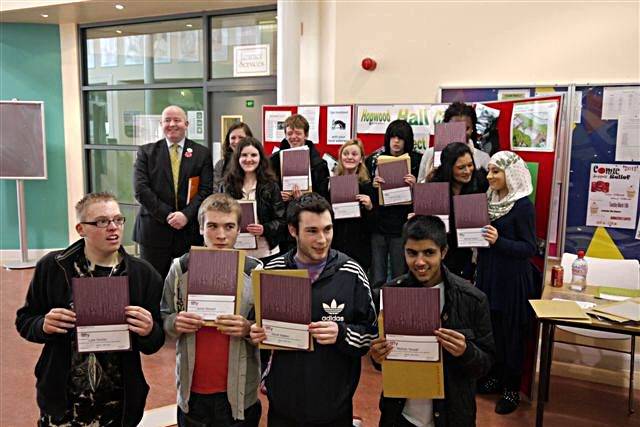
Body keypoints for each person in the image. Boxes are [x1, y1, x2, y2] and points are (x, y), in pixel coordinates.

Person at [16, 192, 165, 426]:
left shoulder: (142, 274)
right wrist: (42, 324)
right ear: (81, 229)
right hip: (64, 402)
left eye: (118, 219)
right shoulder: (53, 267)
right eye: (102, 222)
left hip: (119, 404)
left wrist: (148, 330)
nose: (113, 228)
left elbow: (155, 341)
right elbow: (25, 321)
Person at [250, 193, 377, 426]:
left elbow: (371, 335)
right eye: (312, 231)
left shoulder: (351, 272)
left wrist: (341, 333)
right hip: (283, 404)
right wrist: (255, 333)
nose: (322, 239)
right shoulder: (271, 271)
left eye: (327, 229)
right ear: (292, 230)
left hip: (334, 405)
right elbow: (254, 329)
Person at [370, 215, 495, 427]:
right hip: (401, 415)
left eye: (429, 253)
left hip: (452, 416)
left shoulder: (472, 299)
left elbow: (485, 364)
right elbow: (382, 361)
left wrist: (466, 351)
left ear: (443, 252)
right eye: (412, 253)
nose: (420, 262)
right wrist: (377, 355)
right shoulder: (391, 294)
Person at [161, 193, 262, 426]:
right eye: (212, 226)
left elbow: (266, 330)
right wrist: (175, 323)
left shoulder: (255, 271)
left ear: (239, 230)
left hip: (238, 394)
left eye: (229, 226)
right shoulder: (180, 268)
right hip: (192, 391)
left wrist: (248, 329)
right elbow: (165, 316)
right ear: (200, 228)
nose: (220, 235)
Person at [476, 150, 537, 415]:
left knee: (512, 336)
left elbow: (529, 248)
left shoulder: (523, 206)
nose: (490, 176)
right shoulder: (487, 200)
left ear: (510, 174)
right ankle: (495, 377)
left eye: (496, 171)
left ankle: (511, 389)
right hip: (489, 276)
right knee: (493, 332)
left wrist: (498, 241)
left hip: (512, 281)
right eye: (489, 170)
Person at [133, 105, 214, 279]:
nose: (172, 124)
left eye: (177, 120)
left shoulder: (201, 153)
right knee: (153, 283)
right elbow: (141, 190)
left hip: (189, 230)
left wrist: (185, 215)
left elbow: (205, 190)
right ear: (161, 124)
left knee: (189, 282)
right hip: (154, 230)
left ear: (186, 123)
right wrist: (168, 215)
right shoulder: (146, 152)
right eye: (167, 120)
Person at [365, 119, 421, 289]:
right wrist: (373, 186)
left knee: (399, 273)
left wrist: (416, 185)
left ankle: (398, 309)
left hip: (402, 225)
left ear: (407, 141)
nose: (396, 142)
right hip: (379, 224)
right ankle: (376, 311)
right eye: (393, 137)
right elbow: (366, 195)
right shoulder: (374, 160)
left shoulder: (416, 161)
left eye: (401, 138)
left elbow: (428, 197)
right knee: (377, 275)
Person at [428, 142, 489, 281]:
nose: (467, 171)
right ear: (449, 169)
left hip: (470, 253)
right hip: (442, 252)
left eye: (470, 165)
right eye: (461, 167)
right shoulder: (434, 187)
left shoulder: (481, 183)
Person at [219, 137, 286, 260]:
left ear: (260, 158)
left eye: (254, 155)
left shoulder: (271, 185)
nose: (249, 159)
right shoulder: (227, 186)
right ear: (237, 158)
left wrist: (265, 229)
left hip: (266, 252)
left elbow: (282, 220)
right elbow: (220, 217)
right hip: (236, 252)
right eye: (244, 155)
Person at [417, 102, 491, 183]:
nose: (460, 132)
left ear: (473, 129)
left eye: (466, 128)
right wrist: (428, 180)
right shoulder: (430, 154)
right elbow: (419, 188)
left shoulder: (483, 158)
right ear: (445, 126)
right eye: (455, 127)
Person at [331, 139, 375, 271]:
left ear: (361, 159)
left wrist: (369, 207)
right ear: (340, 157)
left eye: (354, 154)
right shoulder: (331, 184)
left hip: (359, 248)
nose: (349, 157)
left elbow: (374, 225)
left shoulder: (368, 186)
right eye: (346, 153)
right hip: (337, 245)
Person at [269, 113, 330, 202]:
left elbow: (323, 197)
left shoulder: (319, 164)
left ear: (306, 135)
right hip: (282, 213)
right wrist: (277, 195)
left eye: (298, 133)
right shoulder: (273, 161)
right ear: (285, 136)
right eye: (290, 133)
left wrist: (304, 198)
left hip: (308, 212)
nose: (293, 137)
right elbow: (267, 190)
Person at [214, 122, 254, 188]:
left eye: (241, 137)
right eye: (233, 138)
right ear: (228, 141)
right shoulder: (221, 165)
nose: (237, 141)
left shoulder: (256, 163)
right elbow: (215, 190)